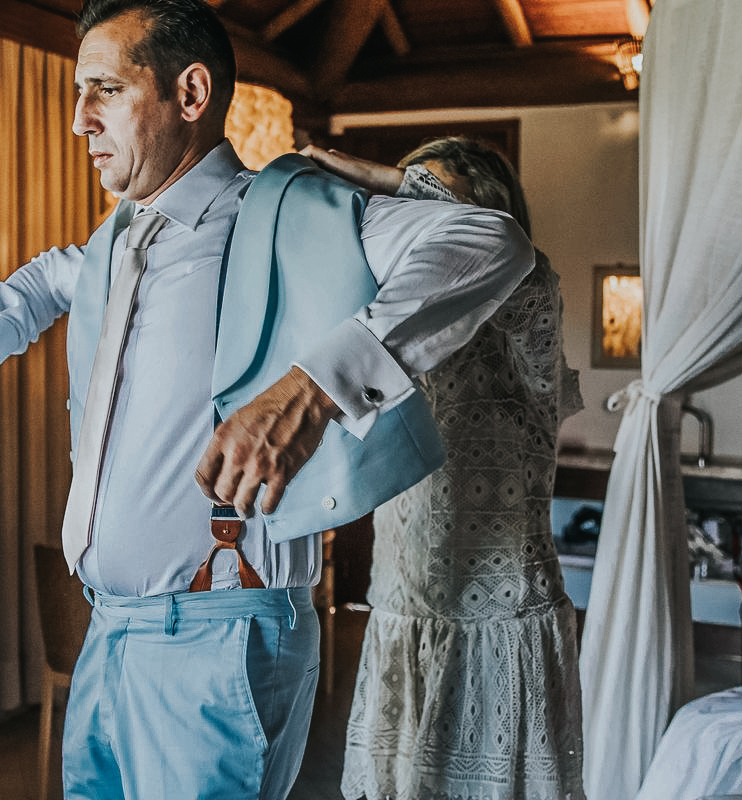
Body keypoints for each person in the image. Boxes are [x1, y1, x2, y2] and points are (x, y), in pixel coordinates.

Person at [0, 1, 534, 798]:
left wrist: (314, 387)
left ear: (191, 93)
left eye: (103, 90)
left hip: (219, 638)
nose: (79, 121)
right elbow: (40, 280)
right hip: (109, 632)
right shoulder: (120, 238)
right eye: (77, 94)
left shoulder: (291, 213)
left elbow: (490, 243)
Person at [304, 138, 586, 800]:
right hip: (406, 602)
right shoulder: (403, 331)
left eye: (432, 206)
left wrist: (390, 179)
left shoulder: (529, 303)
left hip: (500, 618)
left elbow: (501, 251)